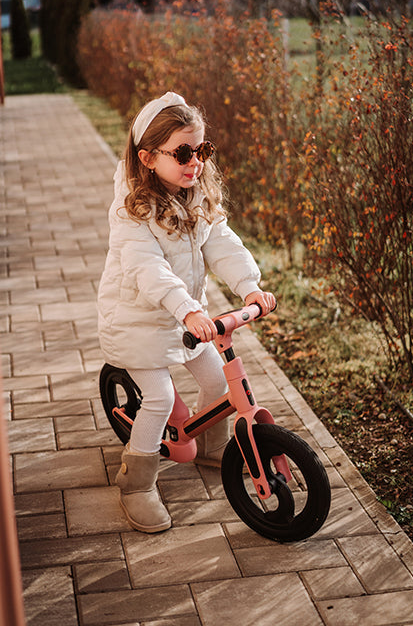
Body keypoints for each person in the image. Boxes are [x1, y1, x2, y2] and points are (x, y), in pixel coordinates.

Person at [97, 91, 276, 534]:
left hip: (186, 322)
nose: (194, 161)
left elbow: (223, 245)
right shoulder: (131, 214)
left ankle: (213, 445)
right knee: (157, 399)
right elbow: (149, 270)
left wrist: (249, 286)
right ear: (147, 157)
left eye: (201, 150)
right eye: (182, 152)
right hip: (140, 324)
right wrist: (187, 309)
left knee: (218, 380)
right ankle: (136, 483)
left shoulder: (196, 197)